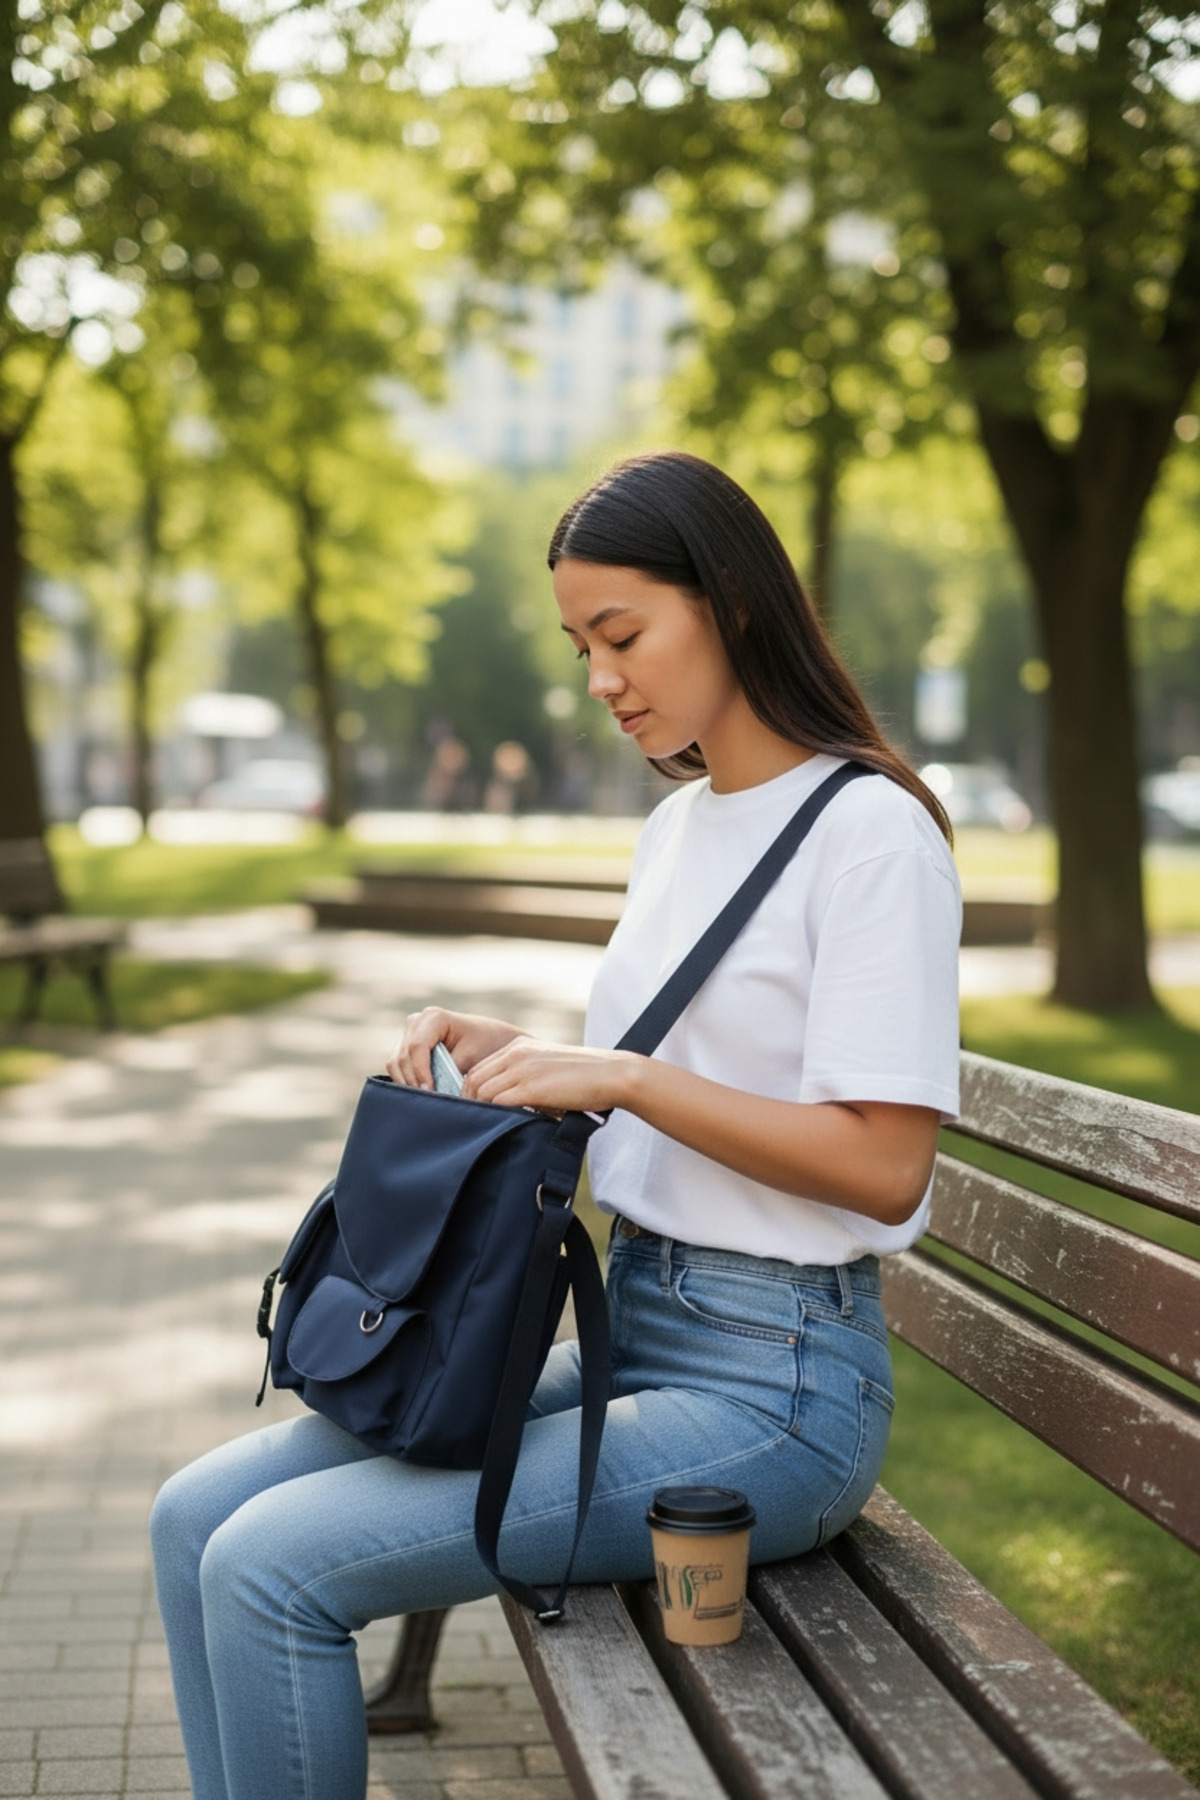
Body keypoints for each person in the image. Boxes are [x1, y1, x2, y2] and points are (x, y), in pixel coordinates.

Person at [150, 451, 961, 1800]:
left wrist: (623, 1080)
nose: (600, 679)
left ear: (733, 604)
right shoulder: (679, 827)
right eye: (582, 647)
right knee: (192, 1521)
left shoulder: (871, 834)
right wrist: (518, 1054)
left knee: (269, 1570)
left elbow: (885, 1167)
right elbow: (681, 1065)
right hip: (639, 1333)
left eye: (623, 636)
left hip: (779, 1395)